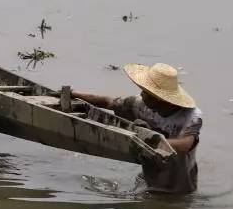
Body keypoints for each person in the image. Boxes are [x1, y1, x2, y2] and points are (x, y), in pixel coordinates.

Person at [75, 63, 202, 194]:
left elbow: (185, 145)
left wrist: (148, 139)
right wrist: (73, 94)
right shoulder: (140, 106)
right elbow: (108, 102)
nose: (141, 94)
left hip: (180, 188)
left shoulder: (190, 117)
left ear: (158, 98)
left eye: (146, 91)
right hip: (151, 181)